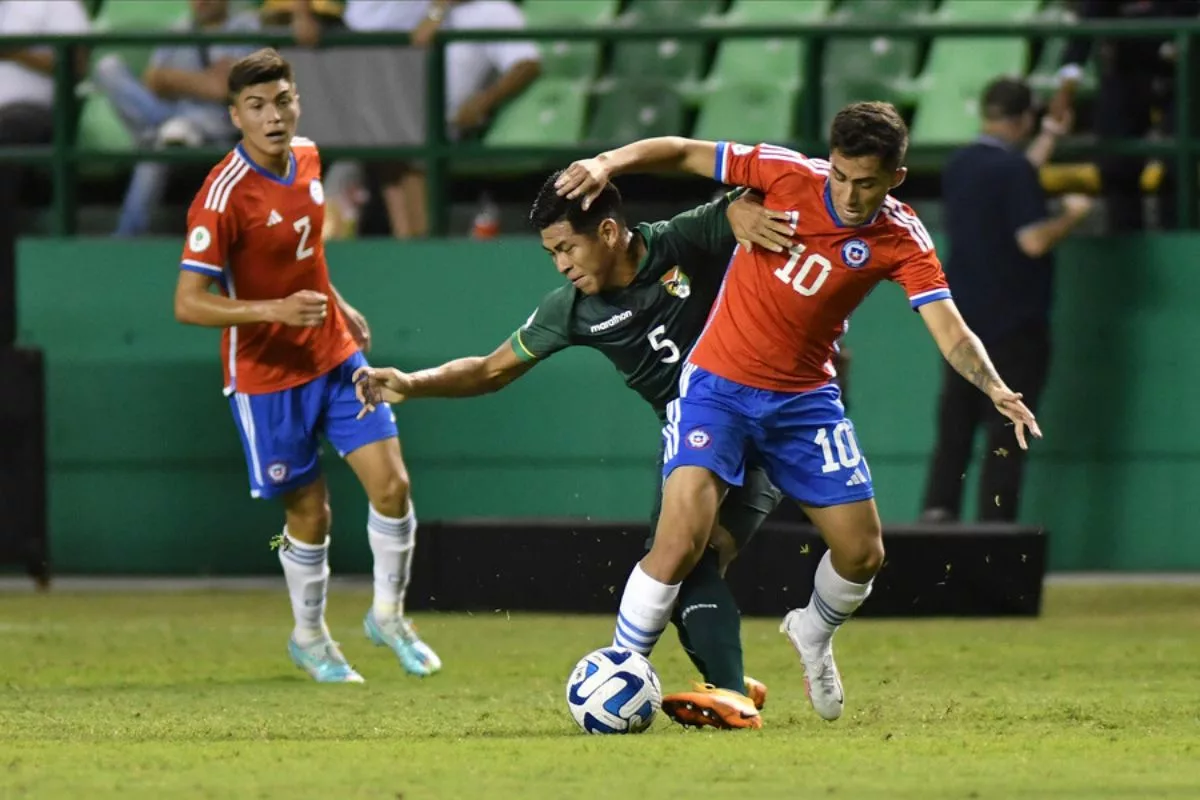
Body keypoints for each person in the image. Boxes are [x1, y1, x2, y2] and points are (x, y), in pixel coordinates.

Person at [553, 103, 1042, 724]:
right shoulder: (786, 175)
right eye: (840, 175)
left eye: (866, 182)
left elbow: (949, 328)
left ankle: (812, 630)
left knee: (863, 555)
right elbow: (679, 150)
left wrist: (995, 387)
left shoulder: (901, 236)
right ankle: (622, 664)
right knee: (679, 539)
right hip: (718, 387)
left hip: (805, 402)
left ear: (894, 177)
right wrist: (606, 161)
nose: (848, 193)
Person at [353, 172, 801, 729]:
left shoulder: (680, 241)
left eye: (567, 247)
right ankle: (728, 686)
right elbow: (491, 369)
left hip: (763, 419)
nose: (561, 263)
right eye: (551, 253)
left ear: (609, 231)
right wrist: (414, 382)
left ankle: (714, 680)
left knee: (685, 559)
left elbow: (744, 202)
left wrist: (743, 209)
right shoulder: (571, 309)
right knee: (686, 563)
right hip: (691, 441)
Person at [172, 48, 439, 683]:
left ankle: (388, 615)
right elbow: (188, 304)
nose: (274, 116)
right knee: (310, 513)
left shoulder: (312, 160)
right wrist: (275, 311)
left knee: (393, 485)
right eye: (257, 106)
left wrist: (338, 305)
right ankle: (311, 635)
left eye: (283, 100)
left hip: (332, 355)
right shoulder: (221, 196)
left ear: (298, 101)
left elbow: (306, 250)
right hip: (265, 380)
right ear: (235, 115)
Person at [921, 77, 1091, 525]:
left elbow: (1013, 175)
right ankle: (995, 537)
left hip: (962, 326)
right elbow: (1033, 240)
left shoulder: (961, 165)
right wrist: (1072, 217)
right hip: (1014, 328)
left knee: (954, 432)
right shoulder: (1013, 172)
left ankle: (936, 522)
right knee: (1007, 434)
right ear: (1023, 119)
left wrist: (1050, 138)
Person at [91, 0, 260, 237]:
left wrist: (172, 79)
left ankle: (126, 238)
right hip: (168, 115)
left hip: (215, 127)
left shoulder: (246, 28)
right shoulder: (180, 29)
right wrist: (203, 81)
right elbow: (153, 82)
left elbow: (225, 90)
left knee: (159, 146)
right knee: (108, 69)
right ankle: (169, 129)